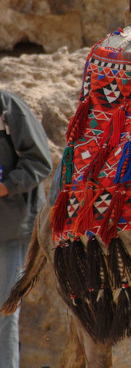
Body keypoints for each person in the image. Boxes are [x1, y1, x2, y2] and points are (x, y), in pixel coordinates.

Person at [0, 90, 52, 368]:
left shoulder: (9, 109)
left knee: (4, 314)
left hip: (11, 230)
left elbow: (41, 162)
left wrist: (6, 186)